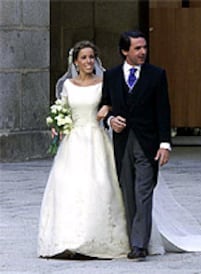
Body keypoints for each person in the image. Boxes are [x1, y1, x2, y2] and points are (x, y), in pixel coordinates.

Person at [38, 41, 130, 259]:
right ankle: (68, 240)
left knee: (99, 185)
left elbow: (115, 103)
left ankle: (96, 238)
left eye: (91, 57)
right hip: (73, 141)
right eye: (84, 58)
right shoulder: (68, 85)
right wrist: (57, 124)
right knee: (67, 186)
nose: (88, 62)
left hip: (96, 139)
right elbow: (63, 109)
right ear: (76, 62)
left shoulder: (103, 82)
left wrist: (107, 108)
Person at [101, 30, 171, 261]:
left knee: (143, 192)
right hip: (122, 143)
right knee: (128, 192)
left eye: (144, 48)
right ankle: (134, 238)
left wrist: (165, 144)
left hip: (147, 143)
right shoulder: (110, 76)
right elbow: (105, 105)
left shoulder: (156, 74)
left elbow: (163, 111)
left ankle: (139, 245)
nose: (143, 52)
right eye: (137, 48)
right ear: (124, 51)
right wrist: (111, 121)